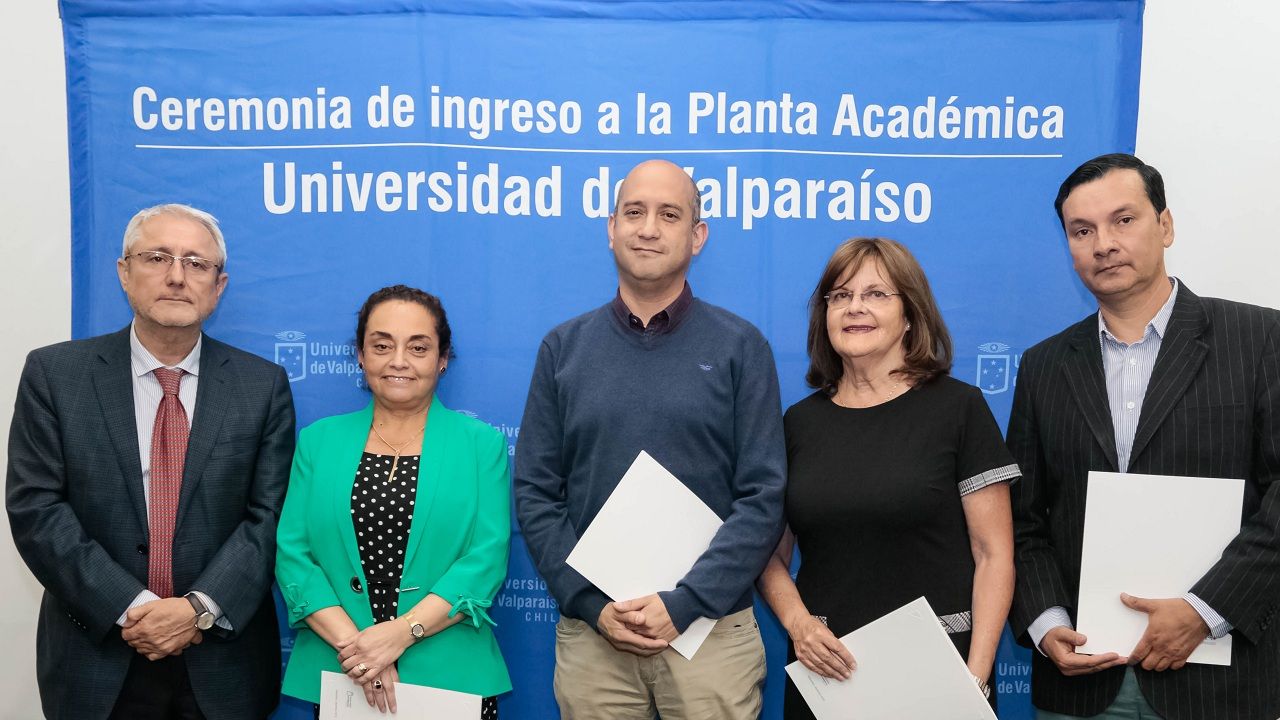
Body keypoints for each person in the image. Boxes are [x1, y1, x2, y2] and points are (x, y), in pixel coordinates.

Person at [1008, 153, 1280, 719]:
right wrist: (1046, 623)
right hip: (1080, 682)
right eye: (1082, 231)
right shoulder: (1043, 366)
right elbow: (1022, 519)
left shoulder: (1259, 339)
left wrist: (1205, 610)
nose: (1103, 244)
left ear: (1166, 225)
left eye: (1123, 220)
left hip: (1218, 680)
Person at [513, 159, 786, 718]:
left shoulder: (741, 347)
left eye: (669, 214)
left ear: (698, 236)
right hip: (595, 636)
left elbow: (764, 495)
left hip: (711, 634)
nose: (648, 228)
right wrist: (591, 603)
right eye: (634, 212)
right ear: (611, 228)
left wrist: (687, 603)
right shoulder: (563, 348)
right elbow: (536, 492)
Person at [6, 204, 295, 719]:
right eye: (157, 257)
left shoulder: (262, 386)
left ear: (219, 286)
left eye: (196, 263)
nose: (177, 277)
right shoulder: (55, 375)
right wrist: (134, 608)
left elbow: (269, 516)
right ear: (124, 272)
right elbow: (36, 509)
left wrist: (196, 610)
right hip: (96, 655)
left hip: (222, 662)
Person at [758, 237, 1017, 717]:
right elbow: (769, 555)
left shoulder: (959, 409)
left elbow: (994, 554)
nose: (855, 307)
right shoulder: (798, 423)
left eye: (876, 294)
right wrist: (799, 625)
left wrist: (975, 680)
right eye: (840, 295)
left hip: (940, 675)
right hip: (828, 674)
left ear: (911, 314)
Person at [276, 285, 510, 718]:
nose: (398, 360)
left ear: (442, 359)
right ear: (361, 355)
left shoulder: (482, 445)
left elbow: (486, 559)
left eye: (418, 348)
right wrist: (363, 651)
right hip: (344, 671)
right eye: (382, 346)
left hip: (451, 677)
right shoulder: (319, 441)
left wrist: (400, 634)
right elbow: (293, 554)